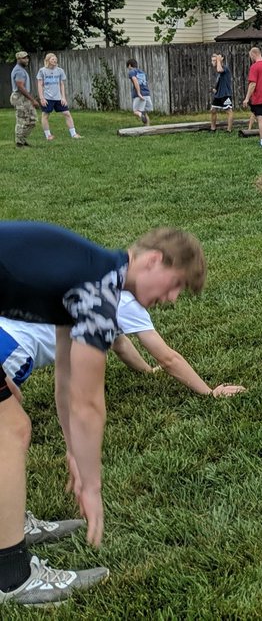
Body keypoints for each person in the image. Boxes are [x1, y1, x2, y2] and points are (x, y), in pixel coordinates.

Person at [0, 223, 206, 607]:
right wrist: (92, 487)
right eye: (176, 283)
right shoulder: (98, 288)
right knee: (11, 429)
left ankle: (6, 524)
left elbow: (65, 377)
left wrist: (75, 453)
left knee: (11, 425)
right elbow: (87, 402)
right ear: (152, 261)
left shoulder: (89, 272)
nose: (174, 298)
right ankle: (13, 578)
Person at [2, 291, 244, 399]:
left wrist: (147, 372)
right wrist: (209, 392)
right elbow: (168, 358)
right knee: (13, 427)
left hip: (7, 326)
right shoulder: (126, 303)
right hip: (15, 346)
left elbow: (119, 342)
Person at [36, 54, 81, 140]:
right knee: (45, 115)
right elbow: (40, 84)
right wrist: (42, 98)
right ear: (48, 60)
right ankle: (48, 135)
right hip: (47, 98)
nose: (55, 61)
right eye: (53, 59)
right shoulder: (42, 71)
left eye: (56, 59)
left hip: (58, 98)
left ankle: (73, 134)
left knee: (67, 113)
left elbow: (61, 84)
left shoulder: (60, 71)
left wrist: (63, 97)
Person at [10, 51, 38, 148]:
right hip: (19, 97)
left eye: (27, 58)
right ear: (18, 59)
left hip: (22, 97)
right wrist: (32, 100)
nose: (26, 60)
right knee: (22, 119)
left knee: (32, 119)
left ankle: (21, 139)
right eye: (24, 58)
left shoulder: (21, 70)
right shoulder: (19, 71)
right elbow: (20, 87)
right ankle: (19, 142)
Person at [208, 53, 234, 132]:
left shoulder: (224, 68)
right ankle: (213, 129)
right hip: (218, 95)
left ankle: (229, 130)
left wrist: (219, 60)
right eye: (212, 60)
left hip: (225, 94)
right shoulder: (219, 72)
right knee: (213, 110)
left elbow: (220, 69)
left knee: (229, 111)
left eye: (214, 60)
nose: (213, 62)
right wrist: (215, 89)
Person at [125, 59, 152, 126]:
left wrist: (139, 93)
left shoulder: (132, 72)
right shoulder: (142, 72)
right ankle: (147, 126)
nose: (128, 69)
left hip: (139, 94)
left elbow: (135, 81)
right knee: (144, 111)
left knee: (136, 111)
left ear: (129, 65)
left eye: (128, 67)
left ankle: (141, 116)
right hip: (146, 93)